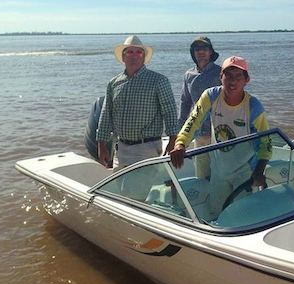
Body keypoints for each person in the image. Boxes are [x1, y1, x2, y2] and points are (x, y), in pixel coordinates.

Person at [170, 56, 271, 217]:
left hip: (244, 173)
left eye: (238, 77)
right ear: (220, 77)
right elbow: (193, 122)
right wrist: (180, 144)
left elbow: (266, 143)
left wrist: (259, 171)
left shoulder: (253, 106)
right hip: (219, 171)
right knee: (217, 213)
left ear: (247, 80)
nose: (232, 81)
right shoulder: (210, 96)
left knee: (242, 216)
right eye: (228, 76)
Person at [96, 35, 179, 171]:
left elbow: (170, 112)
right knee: (119, 191)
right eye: (129, 52)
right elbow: (106, 115)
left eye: (138, 52)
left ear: (144, 57)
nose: (134, 56)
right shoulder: (113, 83)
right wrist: (102, 145)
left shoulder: (158, 81)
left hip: (146, 148)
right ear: (123, 57)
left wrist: (173, 141)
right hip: (120, 148)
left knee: (139, 191)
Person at [179, 36, 222, 178]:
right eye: (197, 49)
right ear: (193, 53)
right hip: (198, 132)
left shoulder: (221, 72)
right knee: (202, 174)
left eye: (204, 48)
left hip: (218, 131)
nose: (201, 52)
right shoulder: (188, 75)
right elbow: (185, 102)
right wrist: (181, 130)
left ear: (211, 52)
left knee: (220, 173)